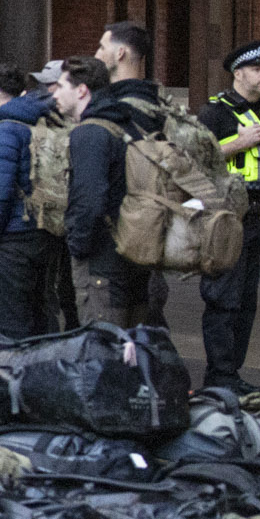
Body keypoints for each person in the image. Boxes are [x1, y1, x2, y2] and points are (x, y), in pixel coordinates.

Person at [63, 24, 171, 334]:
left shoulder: (108, 119)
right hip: (142, 242)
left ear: (120, 53)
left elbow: (91, 195)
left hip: (110, 251)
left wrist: (78, 246)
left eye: (101, 47)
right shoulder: (154, 108)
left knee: (107, 345)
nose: (96, 54)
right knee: (139, 340)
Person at [196, 41, 260, 393]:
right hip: (222, 217)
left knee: (246, 301)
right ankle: (219, 375)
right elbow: (192, 159)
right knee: (223, 298)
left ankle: (232, 372)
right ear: (239, 73)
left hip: (253, 215)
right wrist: (237, 143)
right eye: (258, 69)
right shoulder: (214, 113)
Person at [0, 64, 55, 342]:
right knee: (40, 311)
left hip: (12, 233)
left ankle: (11, 375)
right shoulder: (37, 118)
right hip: (43, 225)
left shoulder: (5, 127)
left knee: (10, 320)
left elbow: (0, 188)